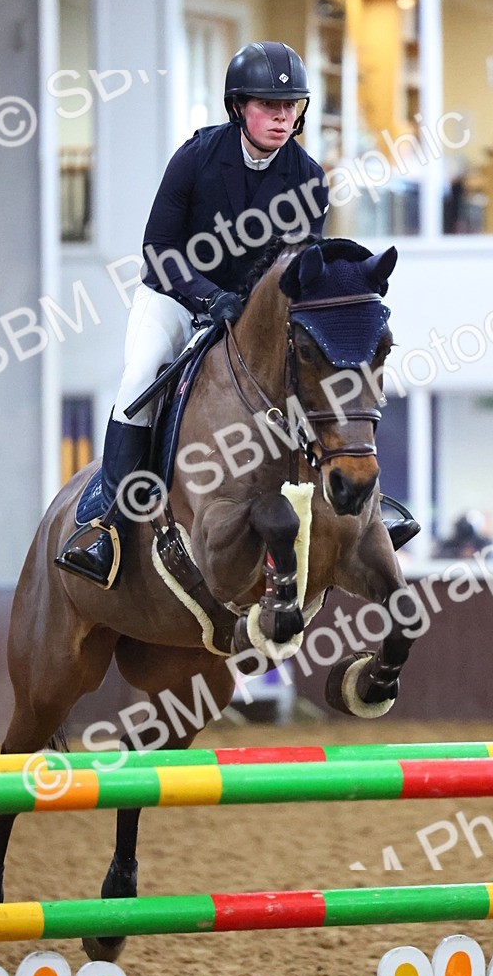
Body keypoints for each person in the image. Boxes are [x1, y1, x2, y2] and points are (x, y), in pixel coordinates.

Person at [56, 41, 330, 588]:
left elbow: (300, 267)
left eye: (290, 105)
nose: (282, 116)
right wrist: (207, 299)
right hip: (176, 298)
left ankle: (354, 507)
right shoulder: (197, 156)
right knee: (139, 378)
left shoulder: (308, 178)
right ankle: (106, 525)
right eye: (268, 105)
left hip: (252, 316)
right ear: (238, 107)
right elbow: (158, 250)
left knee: (322, 376)